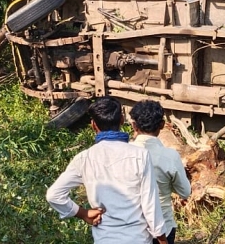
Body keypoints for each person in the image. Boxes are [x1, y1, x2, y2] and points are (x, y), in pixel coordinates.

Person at [46, 97, 168, 244]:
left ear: (93, 125)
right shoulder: (140, 155)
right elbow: (150, 204)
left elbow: (54, 195)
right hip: (137, 238)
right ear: (122, 120)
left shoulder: (84, 158)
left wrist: (83, 213)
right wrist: (161, 238)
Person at [130, 101, 191, 244]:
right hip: (163, 227)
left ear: (134, 126)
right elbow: (185, 192)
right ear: (162, 125)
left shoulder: (124, 153)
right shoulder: (170, 156)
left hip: (131, 228)